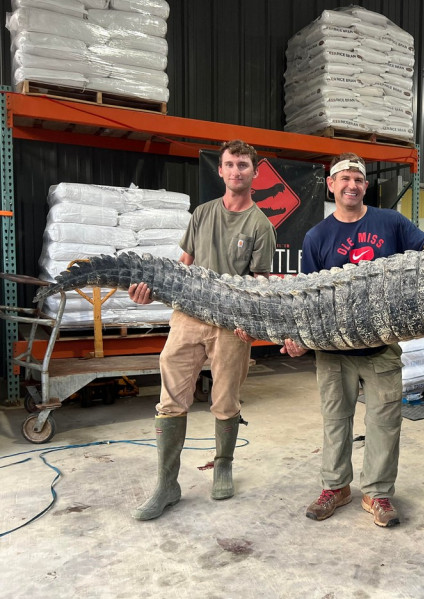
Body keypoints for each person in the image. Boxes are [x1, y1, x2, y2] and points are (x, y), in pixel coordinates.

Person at [281, 152, 424, 528]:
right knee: (335, 420)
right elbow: (305, 298)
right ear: (331, 185)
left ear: (365, 185)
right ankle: (335, 487)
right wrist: (299, 338)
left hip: (380, 347)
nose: (351, 185)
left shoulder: (390, 222)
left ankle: (377, 493)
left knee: (385, 421)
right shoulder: (317, 236)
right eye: (343, 178)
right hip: (332, 351)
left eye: (358, 179)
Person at [128, 139, 276, 521]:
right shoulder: (203, 213)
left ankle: (223, 464)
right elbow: (183, 266)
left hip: (230, 325)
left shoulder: (260, 225)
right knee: (170, 399)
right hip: (188, 317)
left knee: (225, 400)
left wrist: (251, 325)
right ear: (221, 170)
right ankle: (166, 483)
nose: (236, 171)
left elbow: (259, 283)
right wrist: (151, 292)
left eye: (244, 165)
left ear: (254, 173)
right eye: (230, 164)